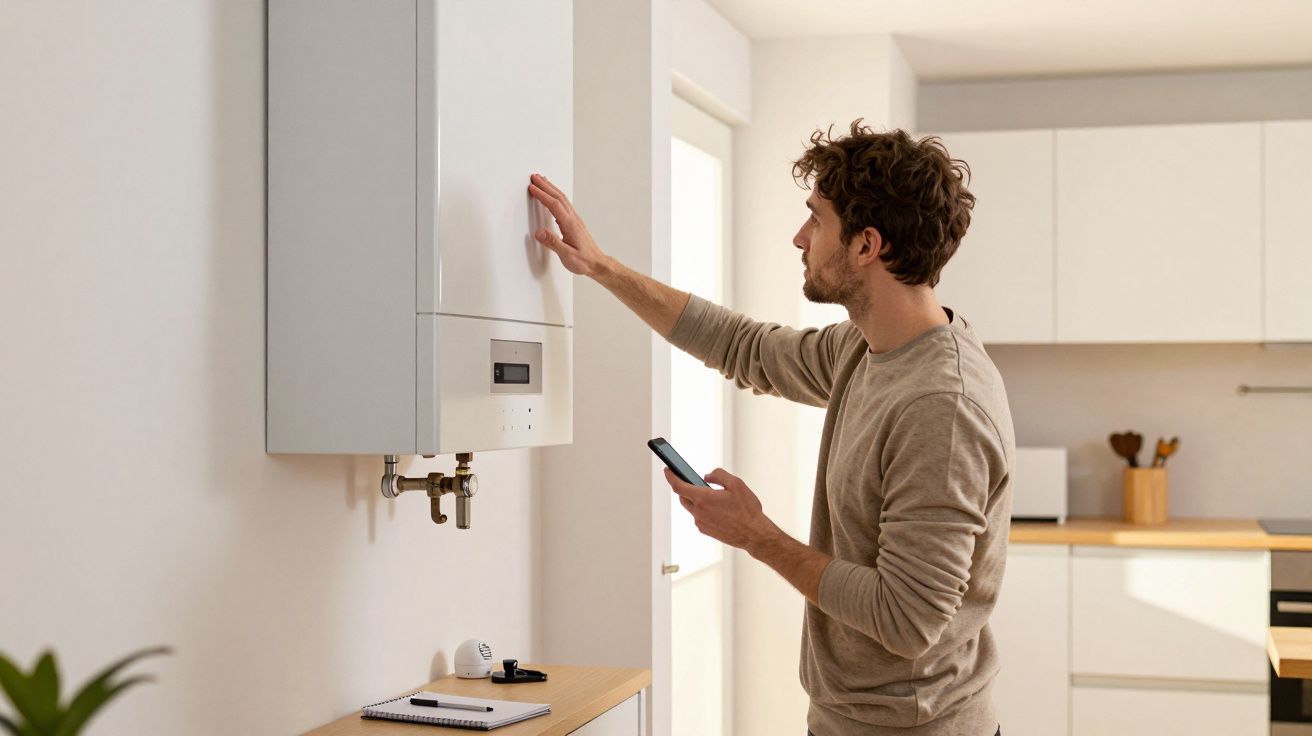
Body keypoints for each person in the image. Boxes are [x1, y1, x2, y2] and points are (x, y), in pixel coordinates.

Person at [527, 120, 1013, 736]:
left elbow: (907, 619)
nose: (799, 237)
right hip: (849, 719)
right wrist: (601, 268)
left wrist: (756, 535)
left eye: (817, 220)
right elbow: (744, 346)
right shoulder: (866, 348)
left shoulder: (941, 407)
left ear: (866, 247)